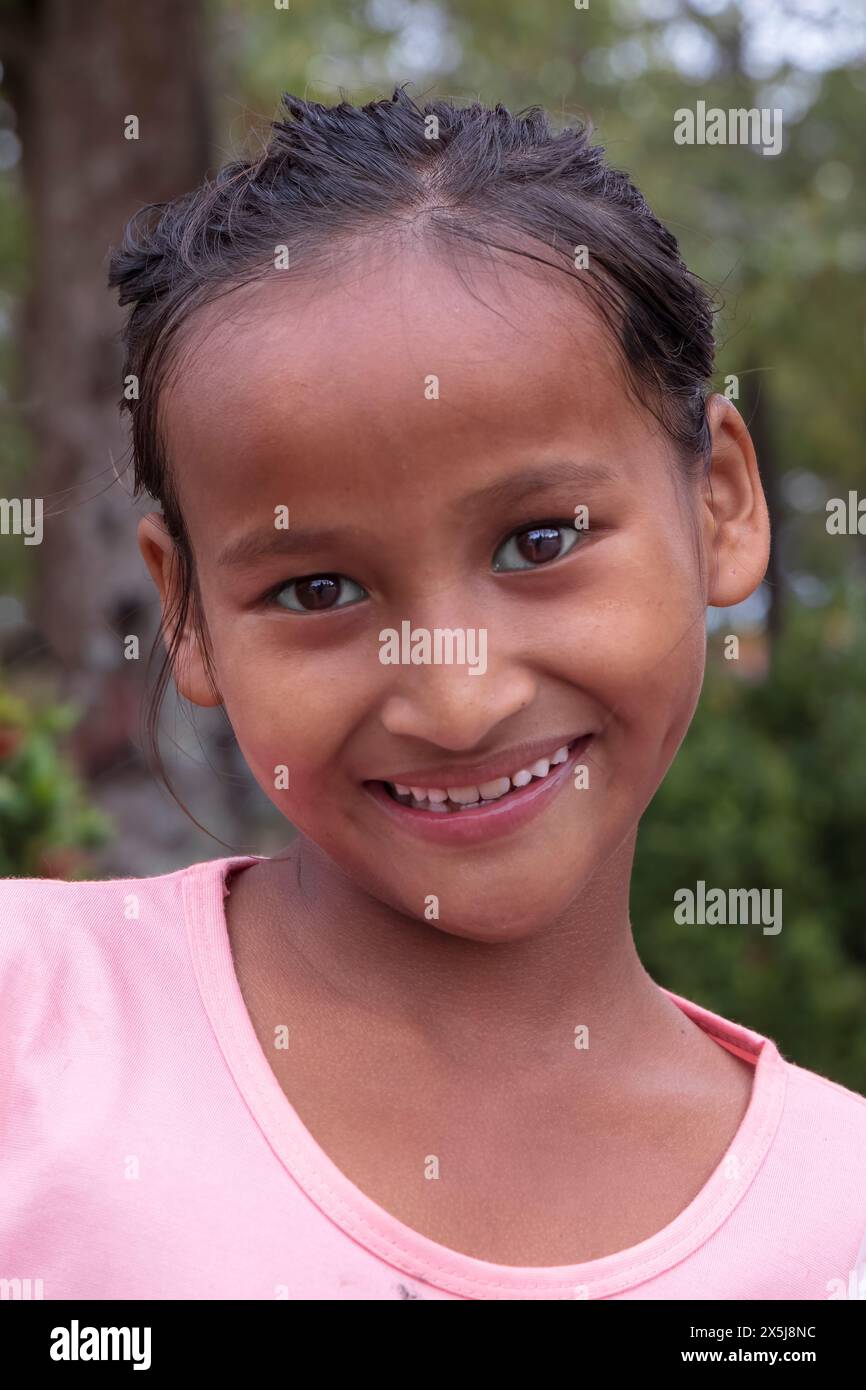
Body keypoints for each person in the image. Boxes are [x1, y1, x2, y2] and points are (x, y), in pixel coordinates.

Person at [2, 87, 865, 1302]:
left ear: (718, 501)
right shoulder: (27, 1024)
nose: (454, 704)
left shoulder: (838, 1228)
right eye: (315, 590)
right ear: (185, 608)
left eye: (537, 540)